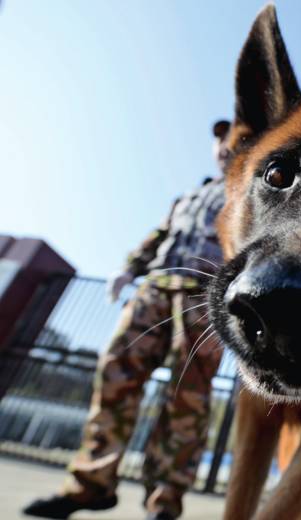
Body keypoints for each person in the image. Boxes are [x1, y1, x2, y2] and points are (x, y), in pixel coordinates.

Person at [23, 121, 232, 520]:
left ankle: (164, 502)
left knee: (188, 394)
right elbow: (159, 236)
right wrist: (128, 268)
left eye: (233, 137)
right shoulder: (187, 196)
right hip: (154, 288)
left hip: (203, 296)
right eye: (219, 139)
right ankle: (90, 485)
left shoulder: (248, 188)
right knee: (116, 372)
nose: (224, 145)